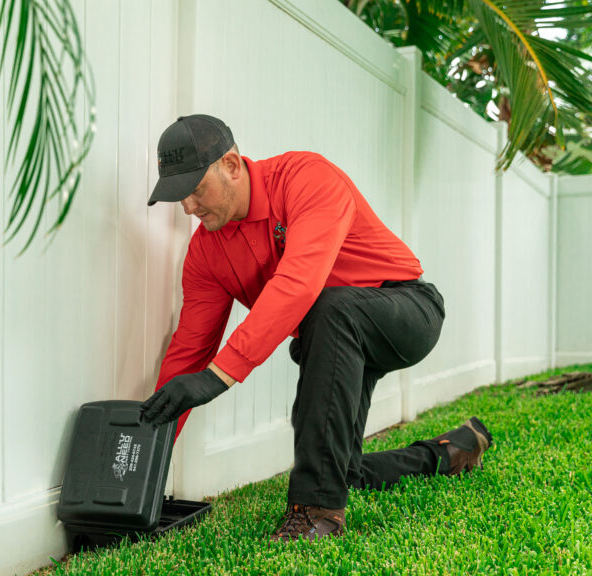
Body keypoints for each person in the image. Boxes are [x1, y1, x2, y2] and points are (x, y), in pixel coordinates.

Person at [138, 114, 493, 543]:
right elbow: (189, 352)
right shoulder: (205, 254)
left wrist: (219, 376)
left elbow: (299, 283)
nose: (189, 209)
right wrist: (145, 464)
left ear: (231, 165)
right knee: (340, 469)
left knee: (328, 304)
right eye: (180, 198)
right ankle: (448, 453)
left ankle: (316, 513)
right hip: (334, 335)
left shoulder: (305, 178)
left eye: (195, 191)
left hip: (407, 309)